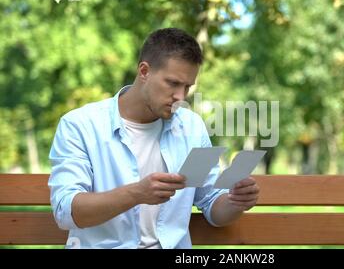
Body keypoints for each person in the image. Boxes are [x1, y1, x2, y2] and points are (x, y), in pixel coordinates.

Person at [48, 28, 260, 249]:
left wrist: (236, 201)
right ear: (144, 71)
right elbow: (66, 212)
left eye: (187, 86)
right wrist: (137, 193)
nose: (180, 96)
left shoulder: (192, 127)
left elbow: (211, 202)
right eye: (173, 83)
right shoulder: (80, 125)